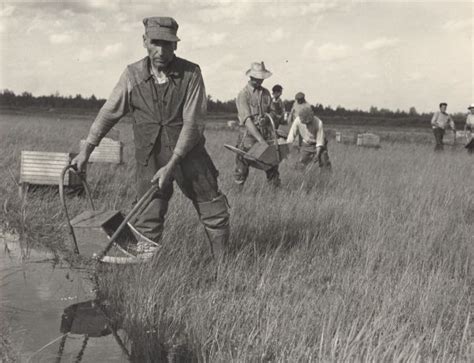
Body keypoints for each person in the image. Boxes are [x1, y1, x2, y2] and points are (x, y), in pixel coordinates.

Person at [72, 17, 230, 260]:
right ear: (144, 41)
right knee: (147, 217)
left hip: (190, 156)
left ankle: (223, 269)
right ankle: (146, 274)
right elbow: (108, 113)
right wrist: (86, 151)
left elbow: (193, 123)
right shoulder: (132, 75)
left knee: (214, 211)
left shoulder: (191, 74)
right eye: (155, 43)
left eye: (168, 44)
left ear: (176, 46)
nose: (161, 51)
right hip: (150, 159)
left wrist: (173, 162)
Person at [234, 62, 280, 187]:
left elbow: (273, 113)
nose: (260, 81)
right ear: (251, 77)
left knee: (272, 166)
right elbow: (247, 120)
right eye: (257, 78)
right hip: (248, 137)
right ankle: (237, 196)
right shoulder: (243, 95)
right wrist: (260, 140)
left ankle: (276, 197)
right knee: (241, 169)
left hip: (265, 135)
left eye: (262, 78)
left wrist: (267, 118)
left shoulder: (266, 93)